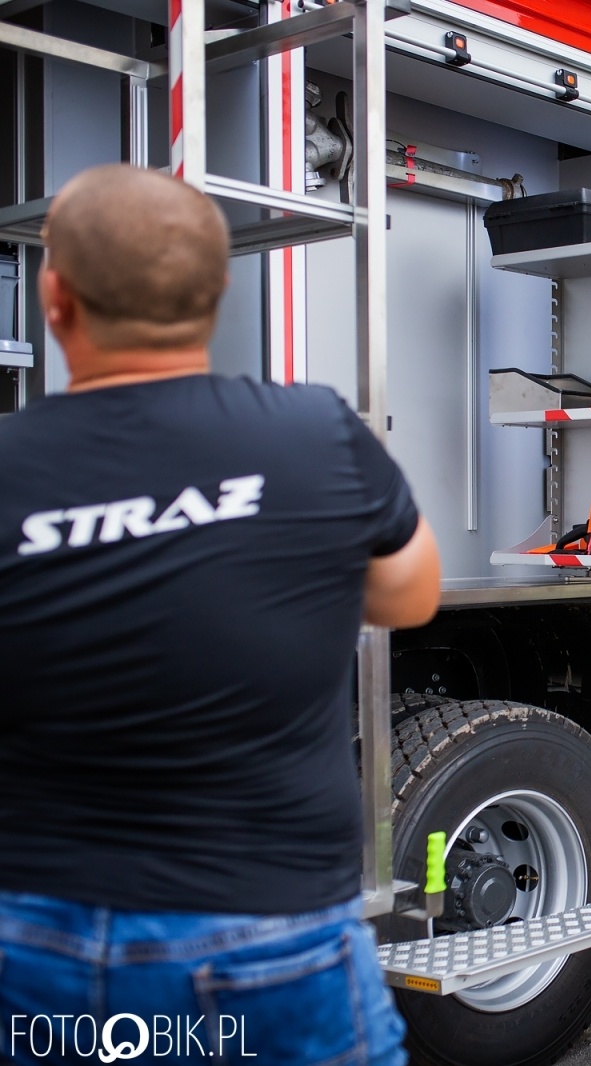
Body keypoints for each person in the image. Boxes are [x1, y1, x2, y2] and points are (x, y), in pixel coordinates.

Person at [0, 165, 440, 1064]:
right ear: (216, 289)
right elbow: (411, 594)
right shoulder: (317, 432)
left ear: (55, 297)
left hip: (28, 938)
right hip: (272, 931)